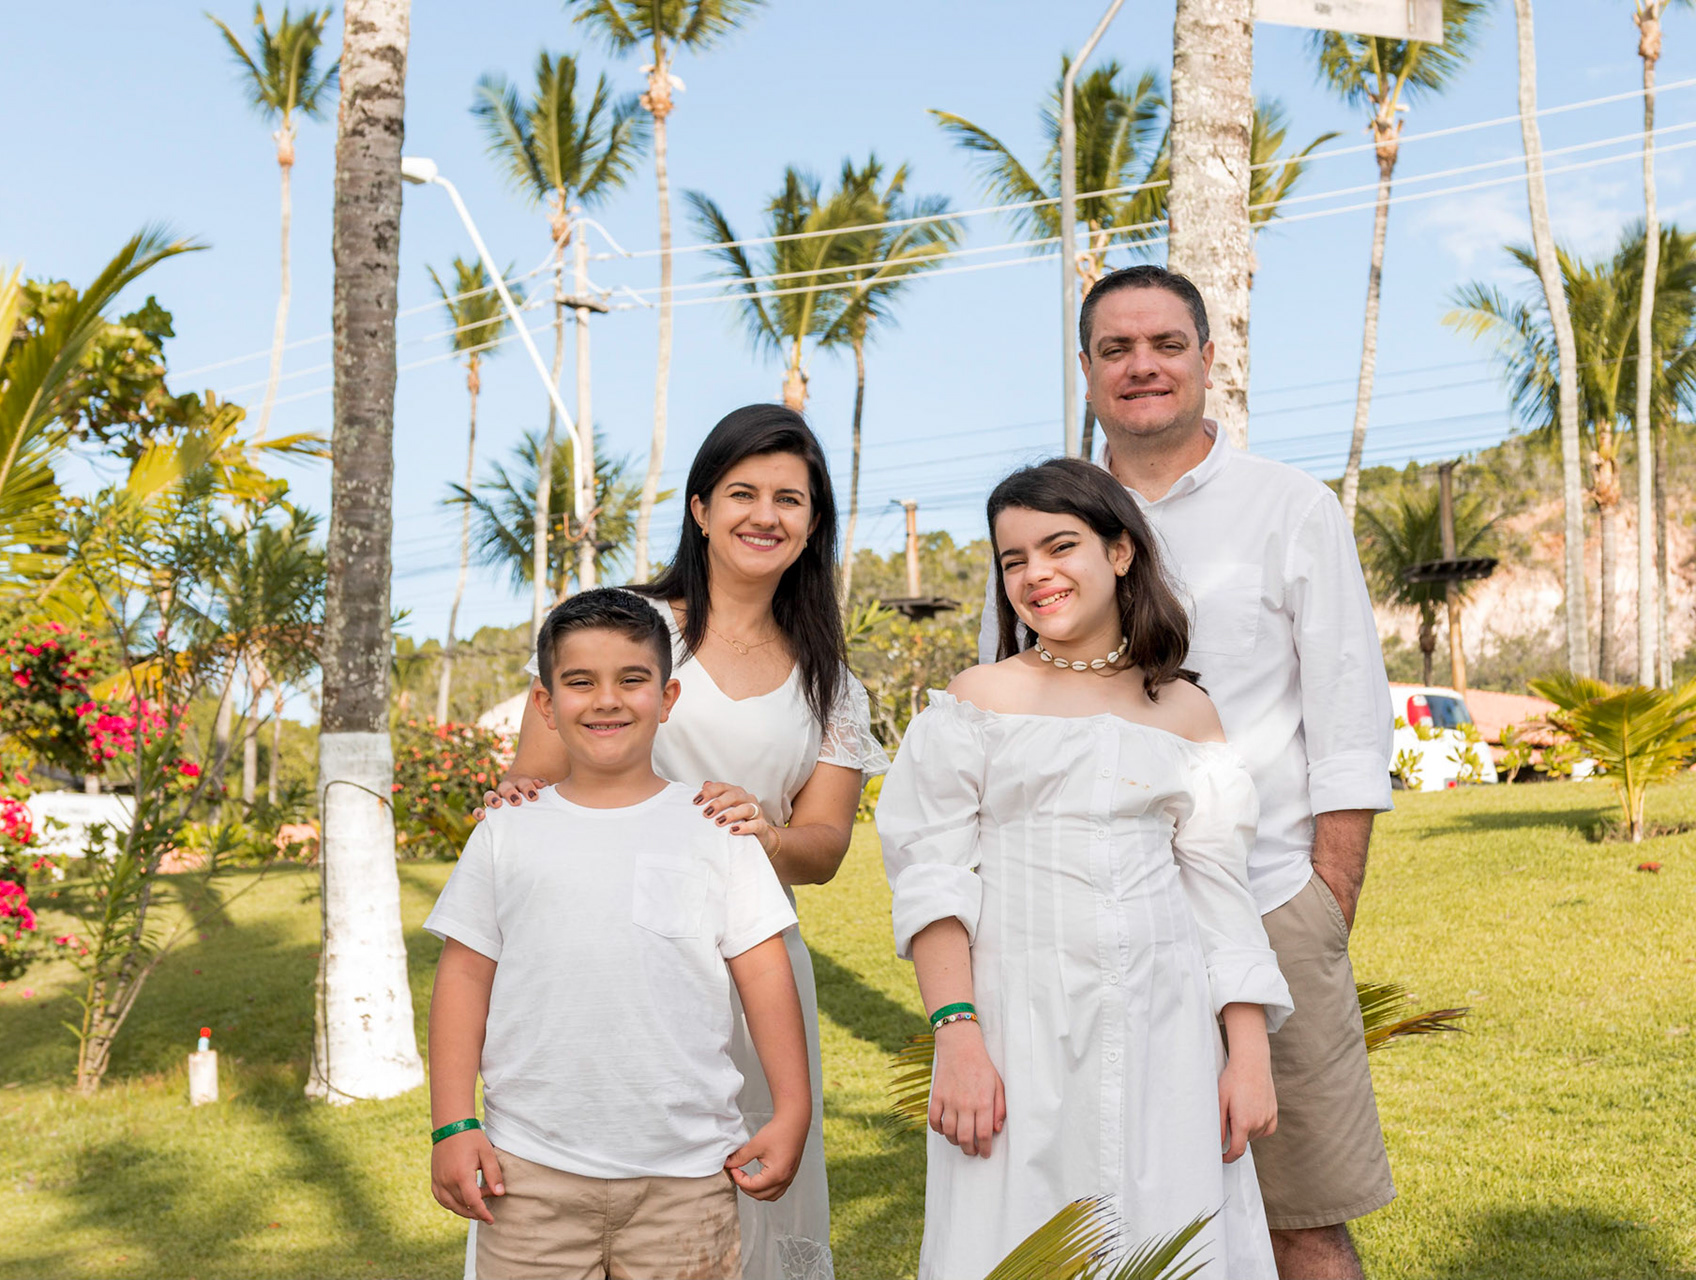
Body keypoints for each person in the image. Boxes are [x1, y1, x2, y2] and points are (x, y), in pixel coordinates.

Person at [979, 265, 1397, 1280]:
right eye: (1115, 349)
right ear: (1086, 371)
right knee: (1092, 1220)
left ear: (1209, 358)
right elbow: (1003, 719)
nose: (1143, 365)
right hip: (1078, 931)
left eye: (1167, 344)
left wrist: (1325, 900)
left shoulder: (1292, 507)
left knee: (1302, 1221)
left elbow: (1348, 719)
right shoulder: (1042, 523)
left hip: (1264, 904)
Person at [484, 404, 889, 1280]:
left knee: (740, 1203)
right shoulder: (624, 628)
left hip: (754, 967)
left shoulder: (832, 683)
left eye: (790, 498)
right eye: (742, 492)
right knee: (583, 1192)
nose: (764, 515)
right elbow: (535, 777)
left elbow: (825, 847)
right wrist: (516, 796)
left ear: (813, 523)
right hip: (605, 957)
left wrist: (764, 835)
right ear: (701, 508)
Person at [879, 458, 1292, 1280]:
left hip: (1165, 1038)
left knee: (1171, 1239)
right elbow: (933, 883)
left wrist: (1247, 1056)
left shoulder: (1186, 712)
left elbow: (1220, 897)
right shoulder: (978, 701)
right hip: (1015, 1033)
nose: (1035, 574)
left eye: (1059, 546)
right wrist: (958, 1036)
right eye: (1013, 559)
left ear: (1120, 552)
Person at [427, 588, 812, 1280]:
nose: (606, 700)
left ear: (667, 698)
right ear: (545, 704)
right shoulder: (506, 832)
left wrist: (793, 1109)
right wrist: (453, 1124)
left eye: (631, 679)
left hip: (688, 1181)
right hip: (528, 1175)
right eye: (580, 682)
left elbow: (764, 972)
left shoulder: (716, 829)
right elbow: (462, 977)